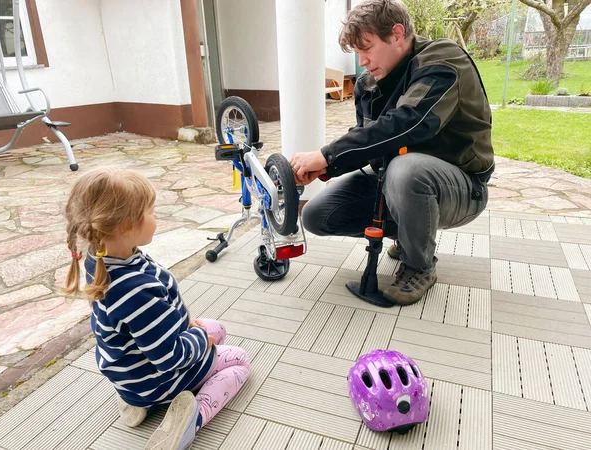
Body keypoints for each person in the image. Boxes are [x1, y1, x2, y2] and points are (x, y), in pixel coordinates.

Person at [290, 0, 494, 306]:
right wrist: (327, 167)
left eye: (367, 48)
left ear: (397, 34)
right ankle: (413, 236)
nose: (362, 61)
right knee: (317, 215)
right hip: (401, 179)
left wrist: (328, 154)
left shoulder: (442, 60)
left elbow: (409, 124)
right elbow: (371, 141)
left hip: (463, 186)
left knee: (406, 169)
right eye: (357, 53)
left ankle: (419, 266)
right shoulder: (368, 83)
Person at [62, 167, 251, 450]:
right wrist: (202, 339)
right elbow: (170, 358)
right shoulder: (135, 291)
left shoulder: (101, 257)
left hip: (129, 370)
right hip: (157, 376)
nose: (156, 216)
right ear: (126, 225)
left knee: (216, 328)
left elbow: (152, 322)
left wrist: (188, 326)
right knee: (238, 360)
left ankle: (138, 403)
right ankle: (191, 420)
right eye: (150, 211)